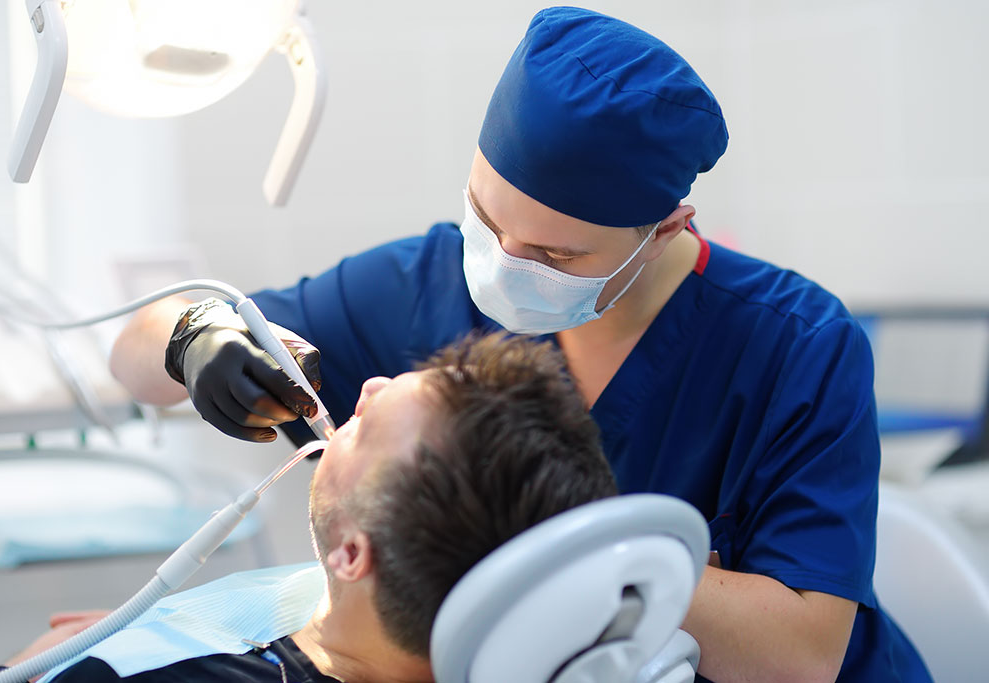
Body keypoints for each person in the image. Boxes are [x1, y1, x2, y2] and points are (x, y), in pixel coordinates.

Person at [108, 6, 931, 682]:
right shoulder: (427, 278)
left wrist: (550, 525)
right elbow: (130, 355)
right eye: (487, 216)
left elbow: (801, 654)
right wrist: (194, 335)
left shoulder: (796, 345)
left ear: (667, 227)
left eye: (554, 256)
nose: (502, 266)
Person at [0, 333, 617, 682]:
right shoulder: (392, 608)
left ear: (353, 554)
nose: (367, 386)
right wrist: (163, 626)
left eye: (366, 425)